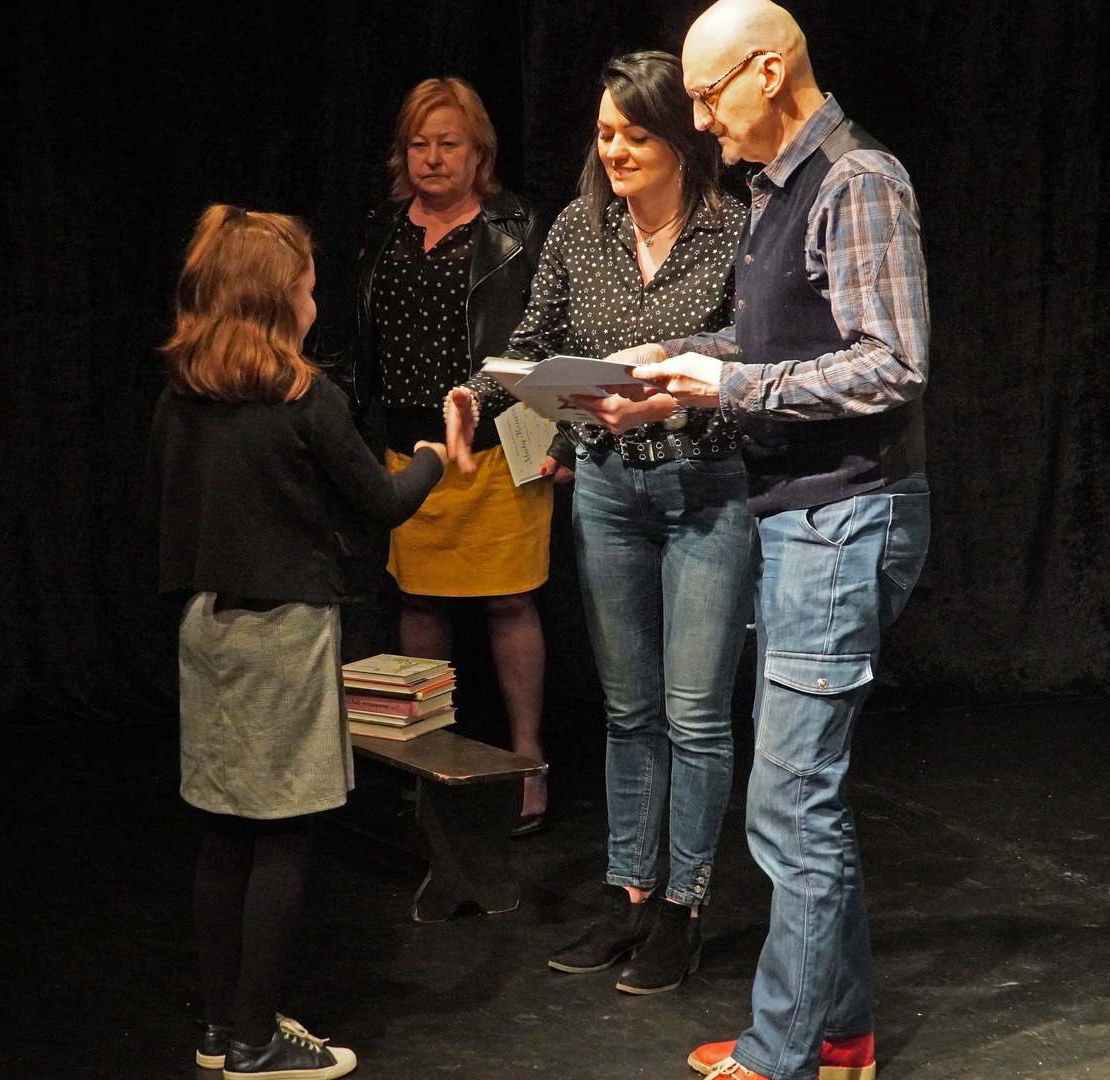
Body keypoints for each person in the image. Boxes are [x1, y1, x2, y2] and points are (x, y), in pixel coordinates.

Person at [600, 3, 932, 1077]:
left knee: (791, 802)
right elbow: (775, 339)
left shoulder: (856, 179)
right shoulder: (777, 191)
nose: (699, 121)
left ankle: (784, 1053)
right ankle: (838, 1034)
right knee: (802, 799)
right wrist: (672, 369)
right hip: (799, 517)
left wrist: (727, 385)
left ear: (768, 70)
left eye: (707, 95)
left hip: (845, 517)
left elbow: (892, 361)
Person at [444, 51, 752, 995]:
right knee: (629, 710)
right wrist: (482, 397)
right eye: (605, 134)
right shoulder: (582, 228)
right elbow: (534, 343)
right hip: (611, 492)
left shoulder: (736, 229)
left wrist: (670, 380)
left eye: (634, 136)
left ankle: (683, 907)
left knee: (694, 713)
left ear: (681, 143)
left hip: (705, 487)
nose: (613, 150)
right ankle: (628, 896)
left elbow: (756, 353)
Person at [148, 206, 448, 1080]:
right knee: (282, 835)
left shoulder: (180, 395)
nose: (316, 304)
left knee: (224, 833)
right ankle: (255, 1041)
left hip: (206, 628)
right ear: (277, 299)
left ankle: (220, 1028)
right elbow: (382, 504)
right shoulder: (304, 399)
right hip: (282, 634)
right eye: (309, 289)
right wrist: (436, 457)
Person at [349, 77, 551, 829]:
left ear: (479, 153)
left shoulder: (517, 227)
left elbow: (546, 335)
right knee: (420, 601)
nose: (432, 158)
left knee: (509, 601)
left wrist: (551, 434)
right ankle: (426, 754)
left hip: (497, 445)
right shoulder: (382, 229)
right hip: (408, 452)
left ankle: (527, 759)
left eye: (448, 144)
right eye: (419, 144)